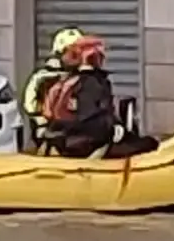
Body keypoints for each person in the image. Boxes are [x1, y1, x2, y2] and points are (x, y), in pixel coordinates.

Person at [33, 31, 159, 160]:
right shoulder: (93, 83)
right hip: (87, 145)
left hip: (66, 142)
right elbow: (92, 119)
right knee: (149, 144)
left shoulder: (67, 80)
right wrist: (116, 130)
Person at [19, 27, 85, 151]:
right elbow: (30, 104)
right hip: (50, 131)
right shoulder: (43, 78)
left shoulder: (83, 77)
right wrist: (41, 122)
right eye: (73, 51)